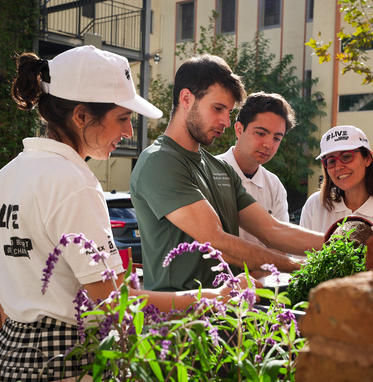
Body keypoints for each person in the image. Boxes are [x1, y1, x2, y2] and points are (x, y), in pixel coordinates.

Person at [0, 46, 254, 382]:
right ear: (81, 116)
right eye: (123, 117)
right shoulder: (73, 182)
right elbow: (113, 303)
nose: (128, 131)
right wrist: (208, 296)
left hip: (5, 364)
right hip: (62, 374)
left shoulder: (6, 175)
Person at [130, 54, 324, 292]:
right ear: (186, 98)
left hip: (228, 314)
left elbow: (273, 230)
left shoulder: (220, 168)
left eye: (229, 112)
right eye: (218, 108)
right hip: (180, 322)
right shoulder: (159, 161)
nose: (225, 121)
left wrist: (338, 244)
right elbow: (217, 241)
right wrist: (297, 266)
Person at [216, 92, 295, 247]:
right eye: (260, 133)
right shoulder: (209, 172)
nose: (268, 144)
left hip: (268, 271)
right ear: (239, 129)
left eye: (277, 138)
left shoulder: (274, 185)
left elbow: (281, 246)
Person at [300, 125, 373, 234]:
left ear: (367, 158)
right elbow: (300, 251)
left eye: (346, 156)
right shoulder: (315, 205)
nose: (338, 167)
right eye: (331, 160)